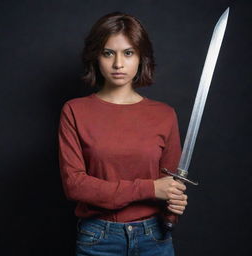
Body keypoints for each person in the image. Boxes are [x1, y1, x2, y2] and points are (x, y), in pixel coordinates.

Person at [58, 11, 188, 256]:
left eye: (128, 53)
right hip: (98, 239)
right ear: (96, 56)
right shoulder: (75, 111)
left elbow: (170, 186)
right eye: (109, 53)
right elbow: (76, 186)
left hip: (155, 238)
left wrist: (175, 202)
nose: (118, 64)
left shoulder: (164, 114)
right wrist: (149, 188)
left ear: (141, 57)